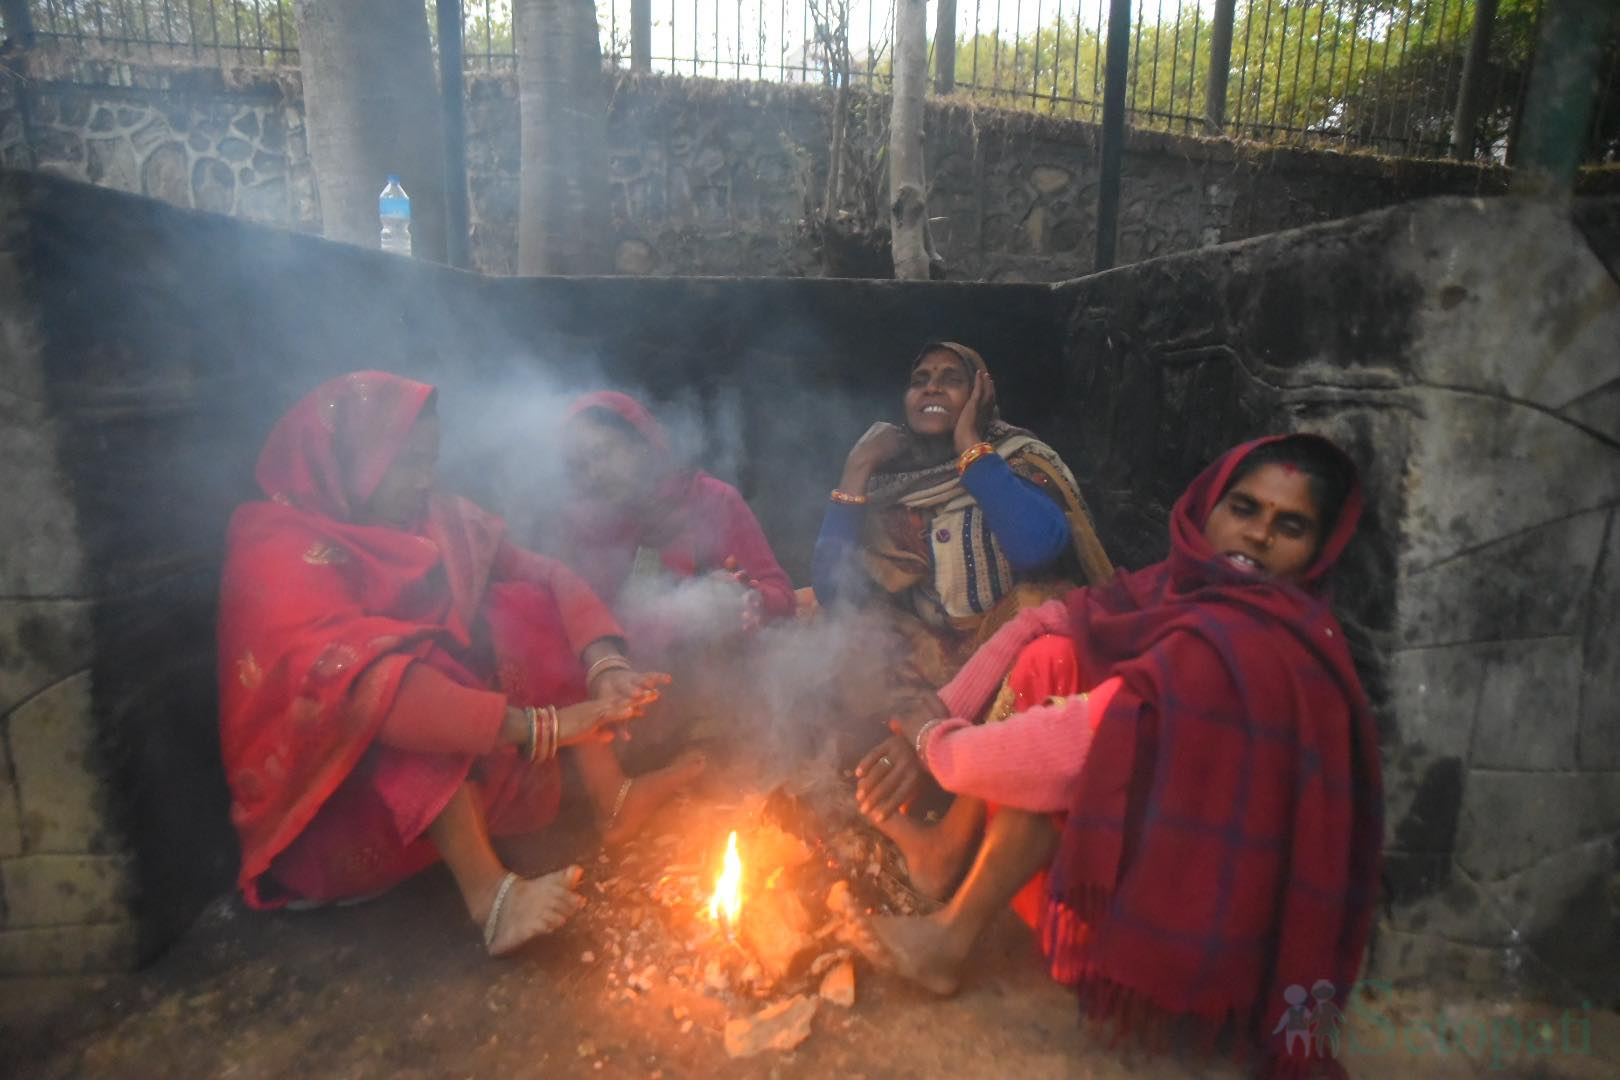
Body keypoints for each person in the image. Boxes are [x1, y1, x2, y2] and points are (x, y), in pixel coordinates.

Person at [849, 434, 1382, 1078]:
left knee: (1064, 753)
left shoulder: (1235, 642)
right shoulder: (1191, 594)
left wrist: (935, 744)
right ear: (1206, 507)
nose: (1260, 535)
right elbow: (1047, 619)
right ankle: (945, 853)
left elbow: (1075, 749)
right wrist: (931, 715)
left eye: (1290, 525)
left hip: (1171, 933)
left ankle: (948, 941)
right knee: (1053, 656)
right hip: (1170, 868)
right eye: (1245, 508)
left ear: (1316, 551)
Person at [218, 372, 704, 957]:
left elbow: (545, 575)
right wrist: (547, 725)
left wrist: (605, 667)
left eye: (431, 460)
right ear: (348, 461)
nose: (425, 480)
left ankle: (613, 797)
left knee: (518, 607)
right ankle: (490, 897)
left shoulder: (436, 521)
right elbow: (374, 692)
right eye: (406, 463)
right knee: (391, 672)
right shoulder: (277, 550)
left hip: (444, 786)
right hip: (334, 817)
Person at [811, 341, 1111, 689]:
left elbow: (1038, 550)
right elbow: (835, 591)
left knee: (1054, 646)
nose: (931, 387)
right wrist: (858, 465)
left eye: (951, 379)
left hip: (1012, 657)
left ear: (981, 395)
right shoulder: (888, 479)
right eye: (919, 380)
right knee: (830, 647)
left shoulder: (1016, 459)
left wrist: (970, 445)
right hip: (922, 656)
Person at [554, 391, 796, 651]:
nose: (594, 474)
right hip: (638, 684)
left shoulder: (712, 501)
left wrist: (750, 598)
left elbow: (782, 596)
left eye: (602, 453)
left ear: (642, 445)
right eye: (579, 466)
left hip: (727, 676)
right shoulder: (588, 531)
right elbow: (583, 625)